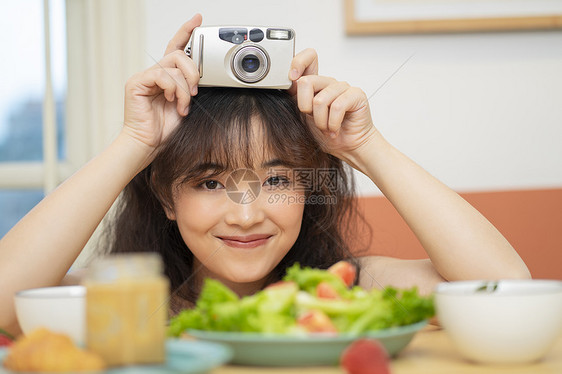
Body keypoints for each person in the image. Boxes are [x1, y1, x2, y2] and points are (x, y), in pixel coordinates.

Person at [0, 14, 530, 335]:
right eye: (210, 183)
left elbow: (504, 290)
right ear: (166, 196)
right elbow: (6, 302)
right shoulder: (136, 309)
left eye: (277, 180)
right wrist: (134, 143)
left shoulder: (347, 295)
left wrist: (365, 147)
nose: (247, 214)